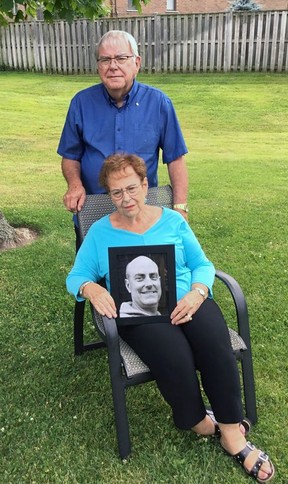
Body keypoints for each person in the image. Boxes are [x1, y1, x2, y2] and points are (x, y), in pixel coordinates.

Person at [66, 153, 274, 483]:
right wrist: (91, 289)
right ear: (108, 195)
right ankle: (201, 423)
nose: (126, 198)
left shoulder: (173, 221)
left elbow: (203, 265)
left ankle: (233, 435)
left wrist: (198, 293)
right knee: (174, 357)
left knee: (214, 345)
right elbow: (76, 276)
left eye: (132, 188)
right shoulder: (100, 233)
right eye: (117, 192)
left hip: (188, 300)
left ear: (145, 185)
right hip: (140, 312)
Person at [57, 29, 189, 248]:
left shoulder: (159, 103)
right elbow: (70, 155)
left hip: (143, 209)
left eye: (121, 58)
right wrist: (74, 185)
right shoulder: (81, 103)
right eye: (105, 59)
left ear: (137, 63)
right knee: (93, 275)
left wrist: (180, 207)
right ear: (98, 66)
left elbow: (175, 159)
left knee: (145, 274)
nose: (113, 66)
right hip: (94, 209)